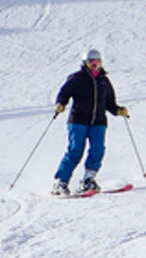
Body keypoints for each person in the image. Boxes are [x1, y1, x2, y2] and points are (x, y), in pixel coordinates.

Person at [52, 48, 128, 195]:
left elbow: (110, 102)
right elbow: (64, 93)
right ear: (85, 63)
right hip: (78, 120)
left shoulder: (104, 81)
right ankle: (60, 182)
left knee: (97, 149)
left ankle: (88, 180)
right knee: (75, 150)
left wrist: (118, 110)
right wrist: (60, 104)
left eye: (97, 62)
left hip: (98, 122)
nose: (94, 65)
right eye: (91, 62)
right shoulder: (77, 78)